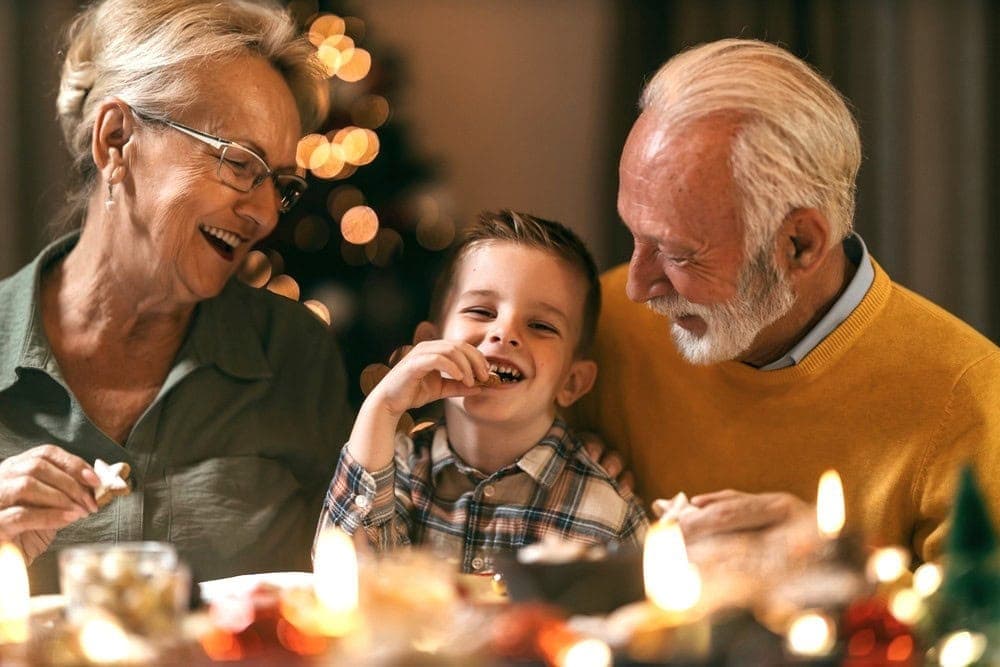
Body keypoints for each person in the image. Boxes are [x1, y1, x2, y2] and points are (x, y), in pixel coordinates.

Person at [574, 38, 1000, 564]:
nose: (637, 287)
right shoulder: (593, 326)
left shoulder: (970, 399)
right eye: (634, 236)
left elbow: (981, 636)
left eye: (678, 254)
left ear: (800, 244)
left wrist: (844, 566)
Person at [0, 0, 351, 593]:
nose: (265, 214)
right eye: (240, 163)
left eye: (280, 184)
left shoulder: (295, 354)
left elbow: (351, 592)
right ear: (116, 142)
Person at [318, 211, 647, 573]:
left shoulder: (606, 513)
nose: (504, 333)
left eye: (540, 325)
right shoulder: (391, 469)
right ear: (429, 345)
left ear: (571, 382)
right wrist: (382, 406)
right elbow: (343, 581)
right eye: (480, 310)